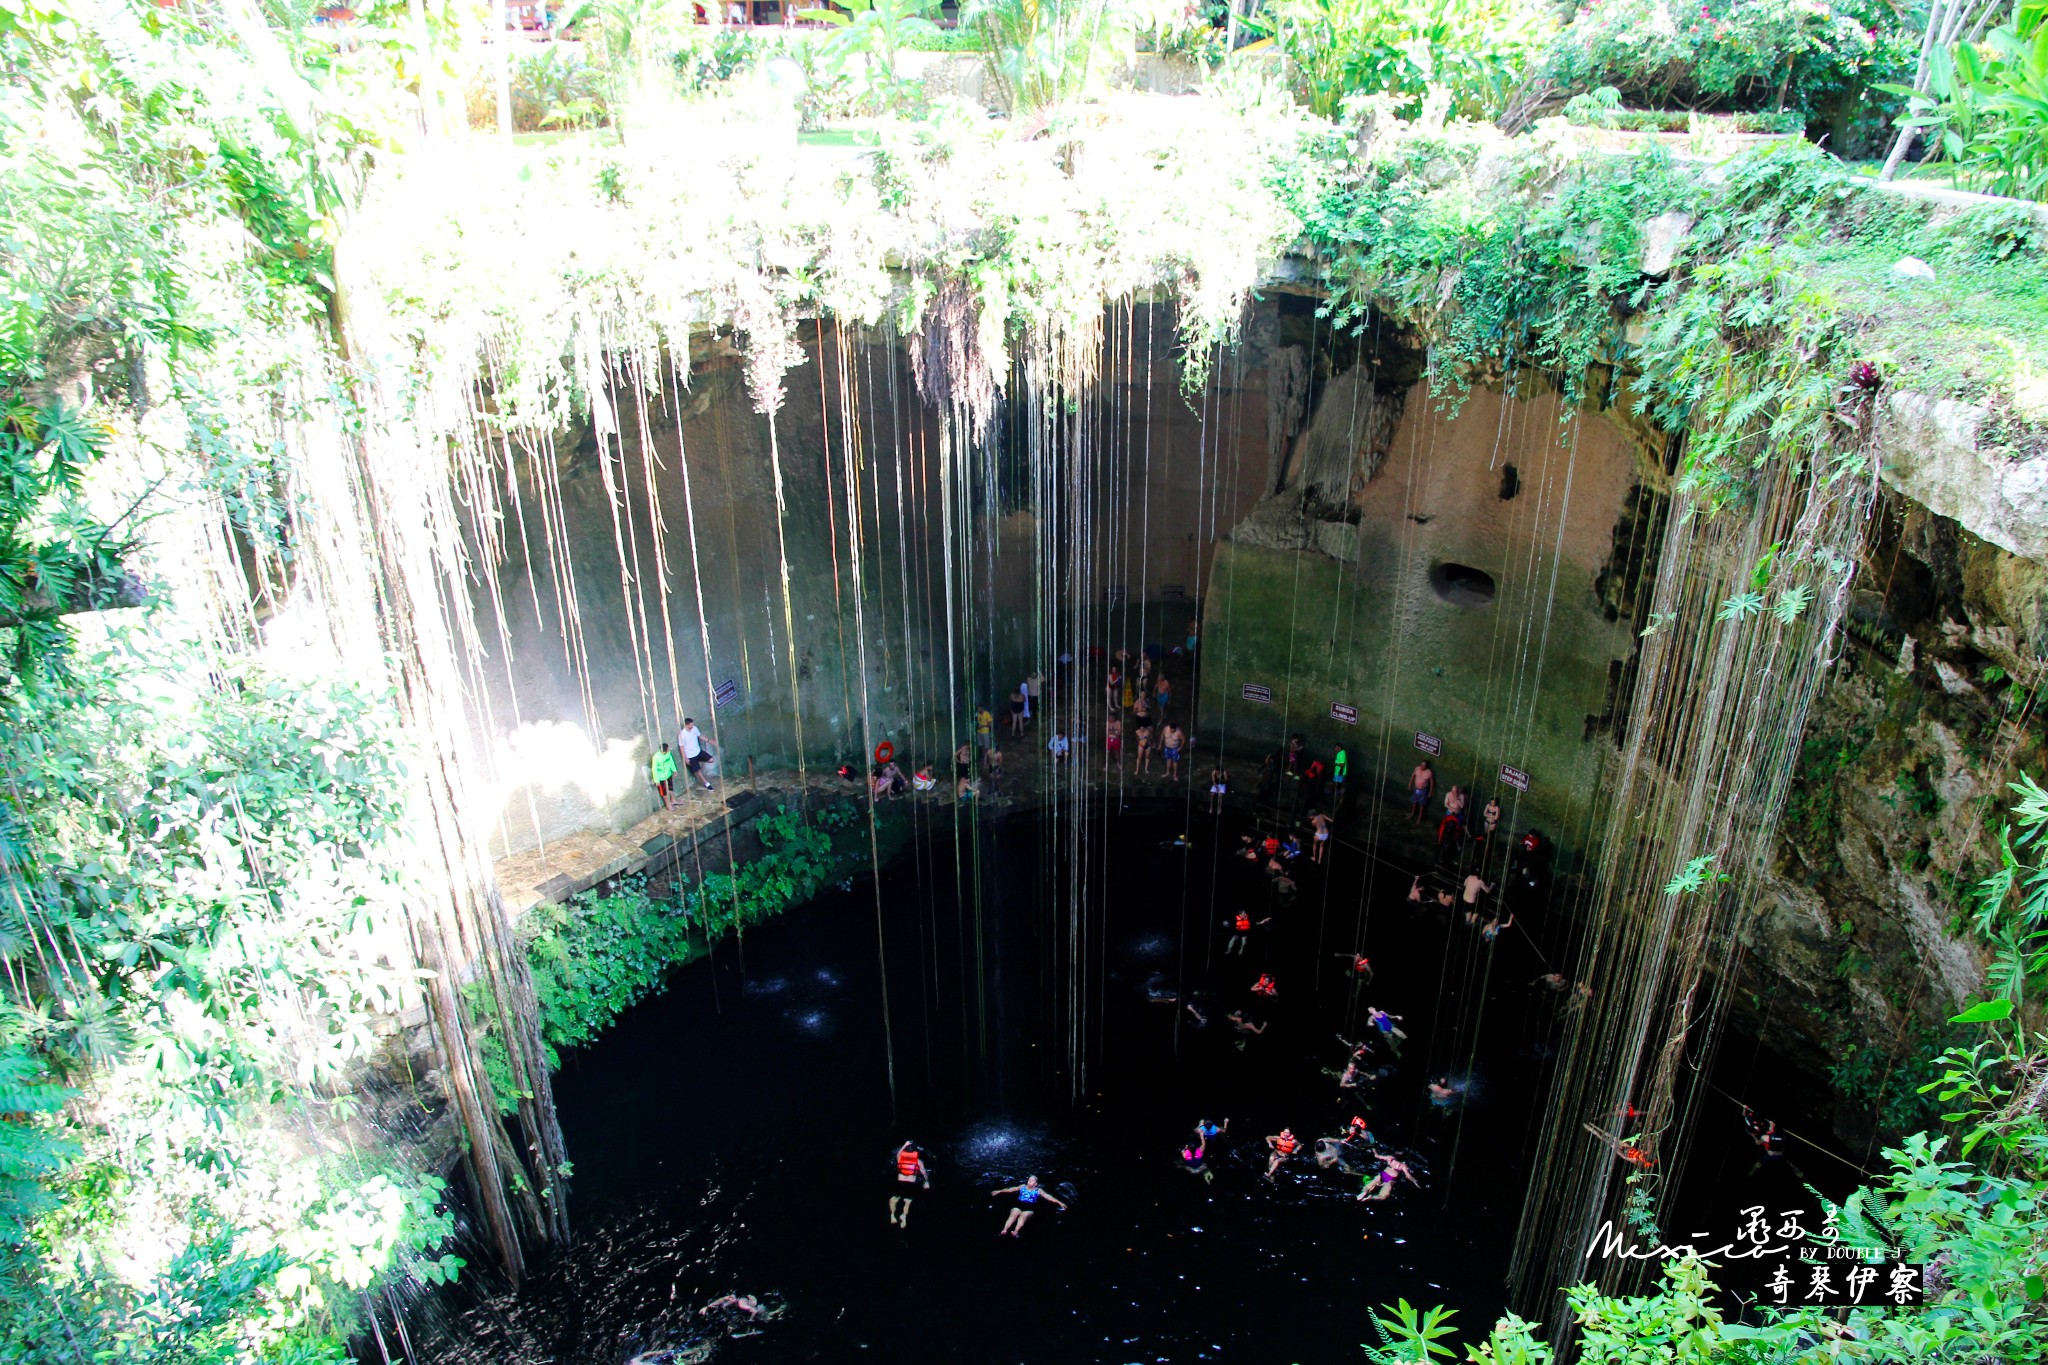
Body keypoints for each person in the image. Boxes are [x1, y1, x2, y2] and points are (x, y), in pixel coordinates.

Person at [992, 1175, 1066, 1236]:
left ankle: (1015, 1231)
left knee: (1023, 1217)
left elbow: (1048, 1197)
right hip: (1019, 1204)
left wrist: (1059, 1202)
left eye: (1032, 1180)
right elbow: (1011, 1189)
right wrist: (1000, 1191)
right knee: (1013, 1214)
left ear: (1036, 1184)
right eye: (1029, 1180)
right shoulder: (1022, 1187)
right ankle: (1004, 1229)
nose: (1029, 1181)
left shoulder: (1038, 1190)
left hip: (1030, 1207)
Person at [890, 1141, 931, 1227]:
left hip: (900, 1182)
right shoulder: (918, 1162)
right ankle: (903, 1216)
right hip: (911, 1184)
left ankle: (893, 1215)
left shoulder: (900, 1158)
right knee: (907, 1201)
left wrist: (904, 1145)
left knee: (893, 1199)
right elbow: (924, 1173)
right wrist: (927, 1182)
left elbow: (899, 1153)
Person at [679, 717, 715, 791]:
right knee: (698, 771)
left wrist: (709, 740)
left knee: (711, 759)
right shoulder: (682, 735)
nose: (692, 726)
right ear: (687, 725)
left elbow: (700, 736)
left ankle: (699, 762)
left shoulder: (694, 728)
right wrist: (685, 758)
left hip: (698, 751)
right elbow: (681, 747)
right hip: (690, 756)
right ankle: (706, 783)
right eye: (691, 725)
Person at [650, 743, 678, 810]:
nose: (669, 749)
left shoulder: (668, 753)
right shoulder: (656, 757)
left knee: (671, 788)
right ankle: (668, 806)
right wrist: (656, 780)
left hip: (668, 774)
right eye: (668, 748)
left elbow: (671, 761)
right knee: (664, 792)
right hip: (661, 778)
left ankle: (673, 800)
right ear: (665, 750)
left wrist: (674, 770)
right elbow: (654, 769)